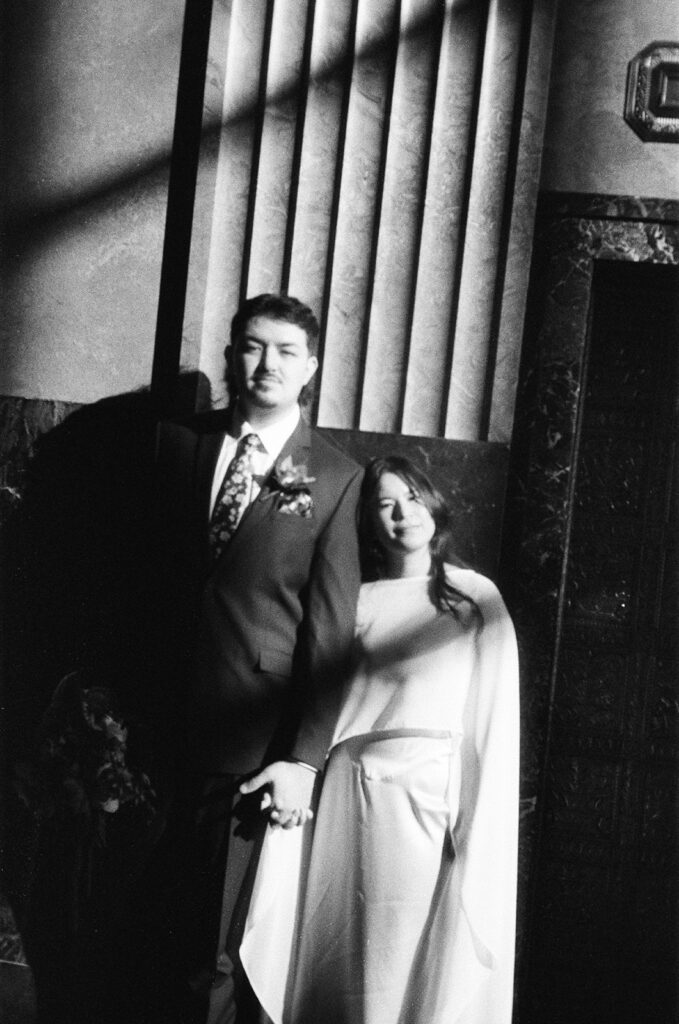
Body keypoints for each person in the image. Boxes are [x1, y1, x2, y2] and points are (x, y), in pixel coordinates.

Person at [144, 293, 363, 1024]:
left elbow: (329, 635)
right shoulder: (175, 444)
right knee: (132, 927)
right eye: (251, 346)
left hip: (247, 745)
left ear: (310, 367)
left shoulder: (335, 477)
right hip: (146, 733)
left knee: (208, 950)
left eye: (285, 351)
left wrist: (302, 759)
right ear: (232, 353)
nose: (266, 364)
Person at [240, 455, 520, 1024]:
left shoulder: (473, 597)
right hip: (347, 794)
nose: (402, 514)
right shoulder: (356, 599)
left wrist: (472, 816)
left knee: (401, 952)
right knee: (340, 952)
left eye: (412, 498)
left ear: (433, 504)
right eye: (385, 504)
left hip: (423, 798)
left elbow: (492, 715)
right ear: (368, 521)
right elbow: (325, 698)